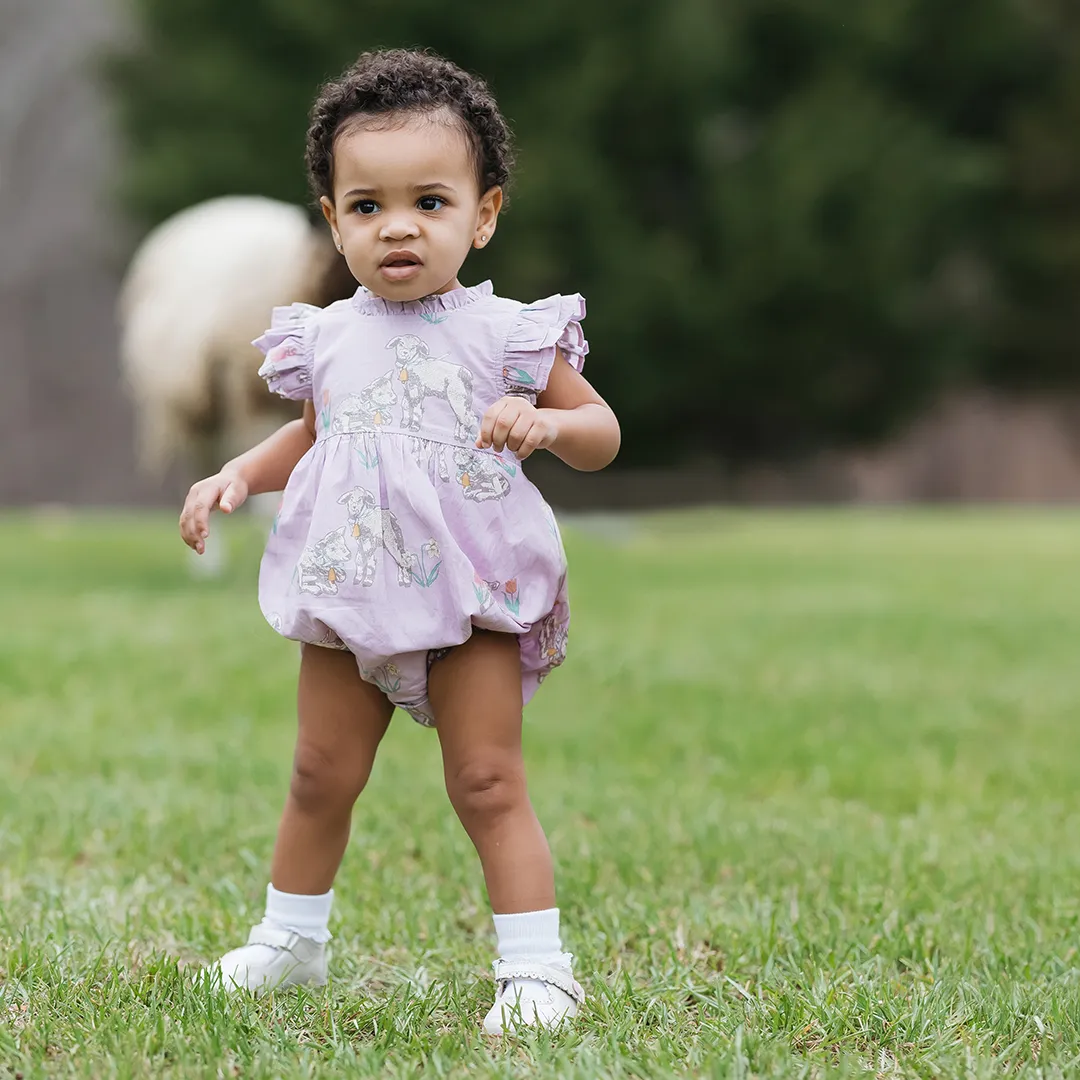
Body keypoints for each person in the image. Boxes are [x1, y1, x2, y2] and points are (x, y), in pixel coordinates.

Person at [178, 48, 620, 1035]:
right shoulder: (326, 335)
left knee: (487, 778)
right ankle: (292, 940)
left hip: (470, 593)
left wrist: (546, 425)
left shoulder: (509, 334)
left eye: (430, 200)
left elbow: (602, 434)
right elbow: (314, 433)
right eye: (368, 206)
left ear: (484, 212)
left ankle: (537, 969)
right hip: (350, 588)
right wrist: (238, 474)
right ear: (334, 221)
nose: (399, 227)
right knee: (317, 772)